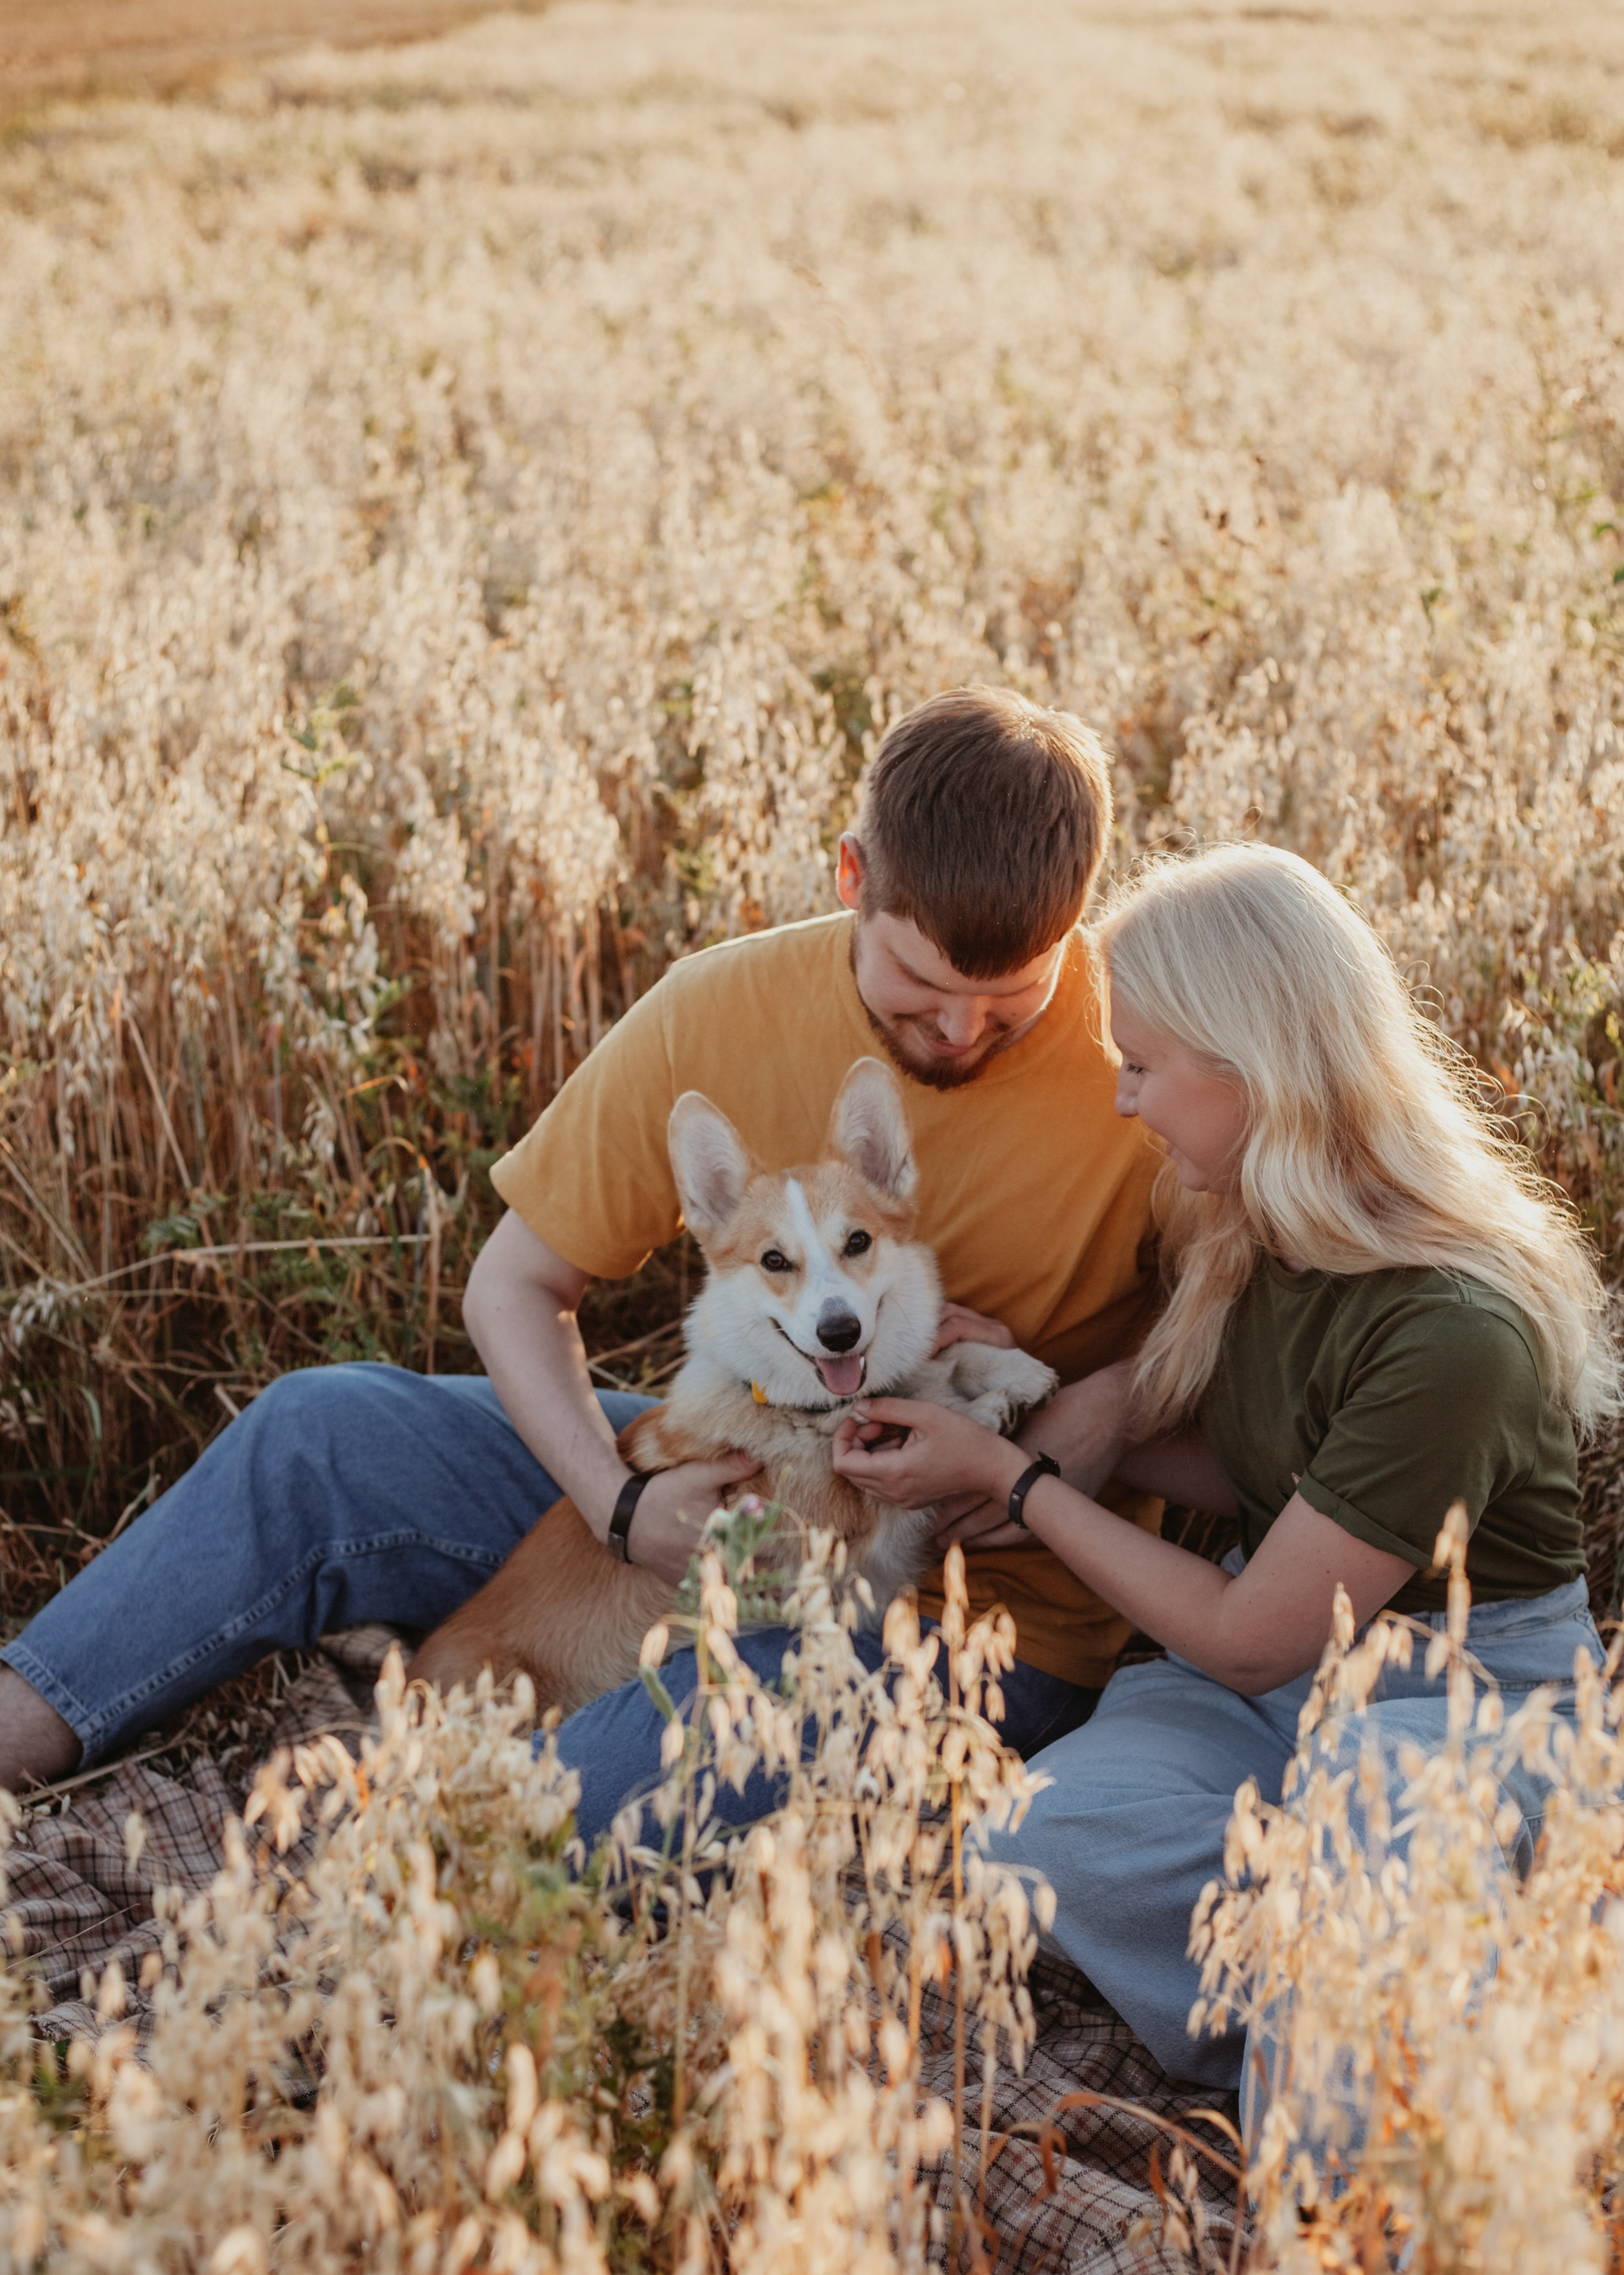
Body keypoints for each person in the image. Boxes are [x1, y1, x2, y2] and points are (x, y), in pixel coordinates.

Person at [0, 687, 1167, 1830]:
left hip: (974, 1607)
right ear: (853, 877)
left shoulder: (1150, 1060)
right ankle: (22, 1728)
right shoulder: (719, 1005)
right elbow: (516, 1286)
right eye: (921, 984)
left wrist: (1104, 1411)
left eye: (1010, 998)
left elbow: (1292, 1402)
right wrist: (620, 1506)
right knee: (317, 1434)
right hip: (733, 1469)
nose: (961, 1031)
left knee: (567, 1812)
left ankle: (486, 1812)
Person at [832, 841, 1624, 2113]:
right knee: (1041, 1843)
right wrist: (1025, 1392)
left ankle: (1336, 2134)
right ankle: (1364, 1990)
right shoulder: (1249, 1215)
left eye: (1142, 1068)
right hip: (1278, 1681)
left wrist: (1019, 1484)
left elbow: (1253, 1638)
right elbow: (1267, 1463)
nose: (1123, 1103)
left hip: (1459, 1684)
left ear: (1251, 1070)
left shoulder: (1452, 1332)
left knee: (1370, 1804)